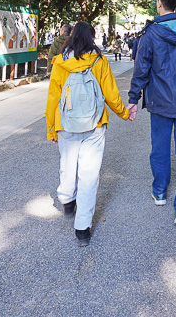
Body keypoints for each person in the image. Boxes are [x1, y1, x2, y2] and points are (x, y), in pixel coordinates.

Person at [45, 21, 131, 246]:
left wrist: (51, 128)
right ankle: (82, 229)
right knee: (89, 175)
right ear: (92, 37)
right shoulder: (99, 61)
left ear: (71, 36)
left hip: (65, 123)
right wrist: (124, 113)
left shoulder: (60, 62)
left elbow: (53, 97)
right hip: (94, 124)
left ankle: (66, 199)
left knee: (67, 163)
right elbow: (111, 94)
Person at [127, 0, 176, 226]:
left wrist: (133, 98)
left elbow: (142, 67)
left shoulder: (150, 33)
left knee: (159, 148)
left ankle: (159, 191)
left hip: (159, 100)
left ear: (159, 3)